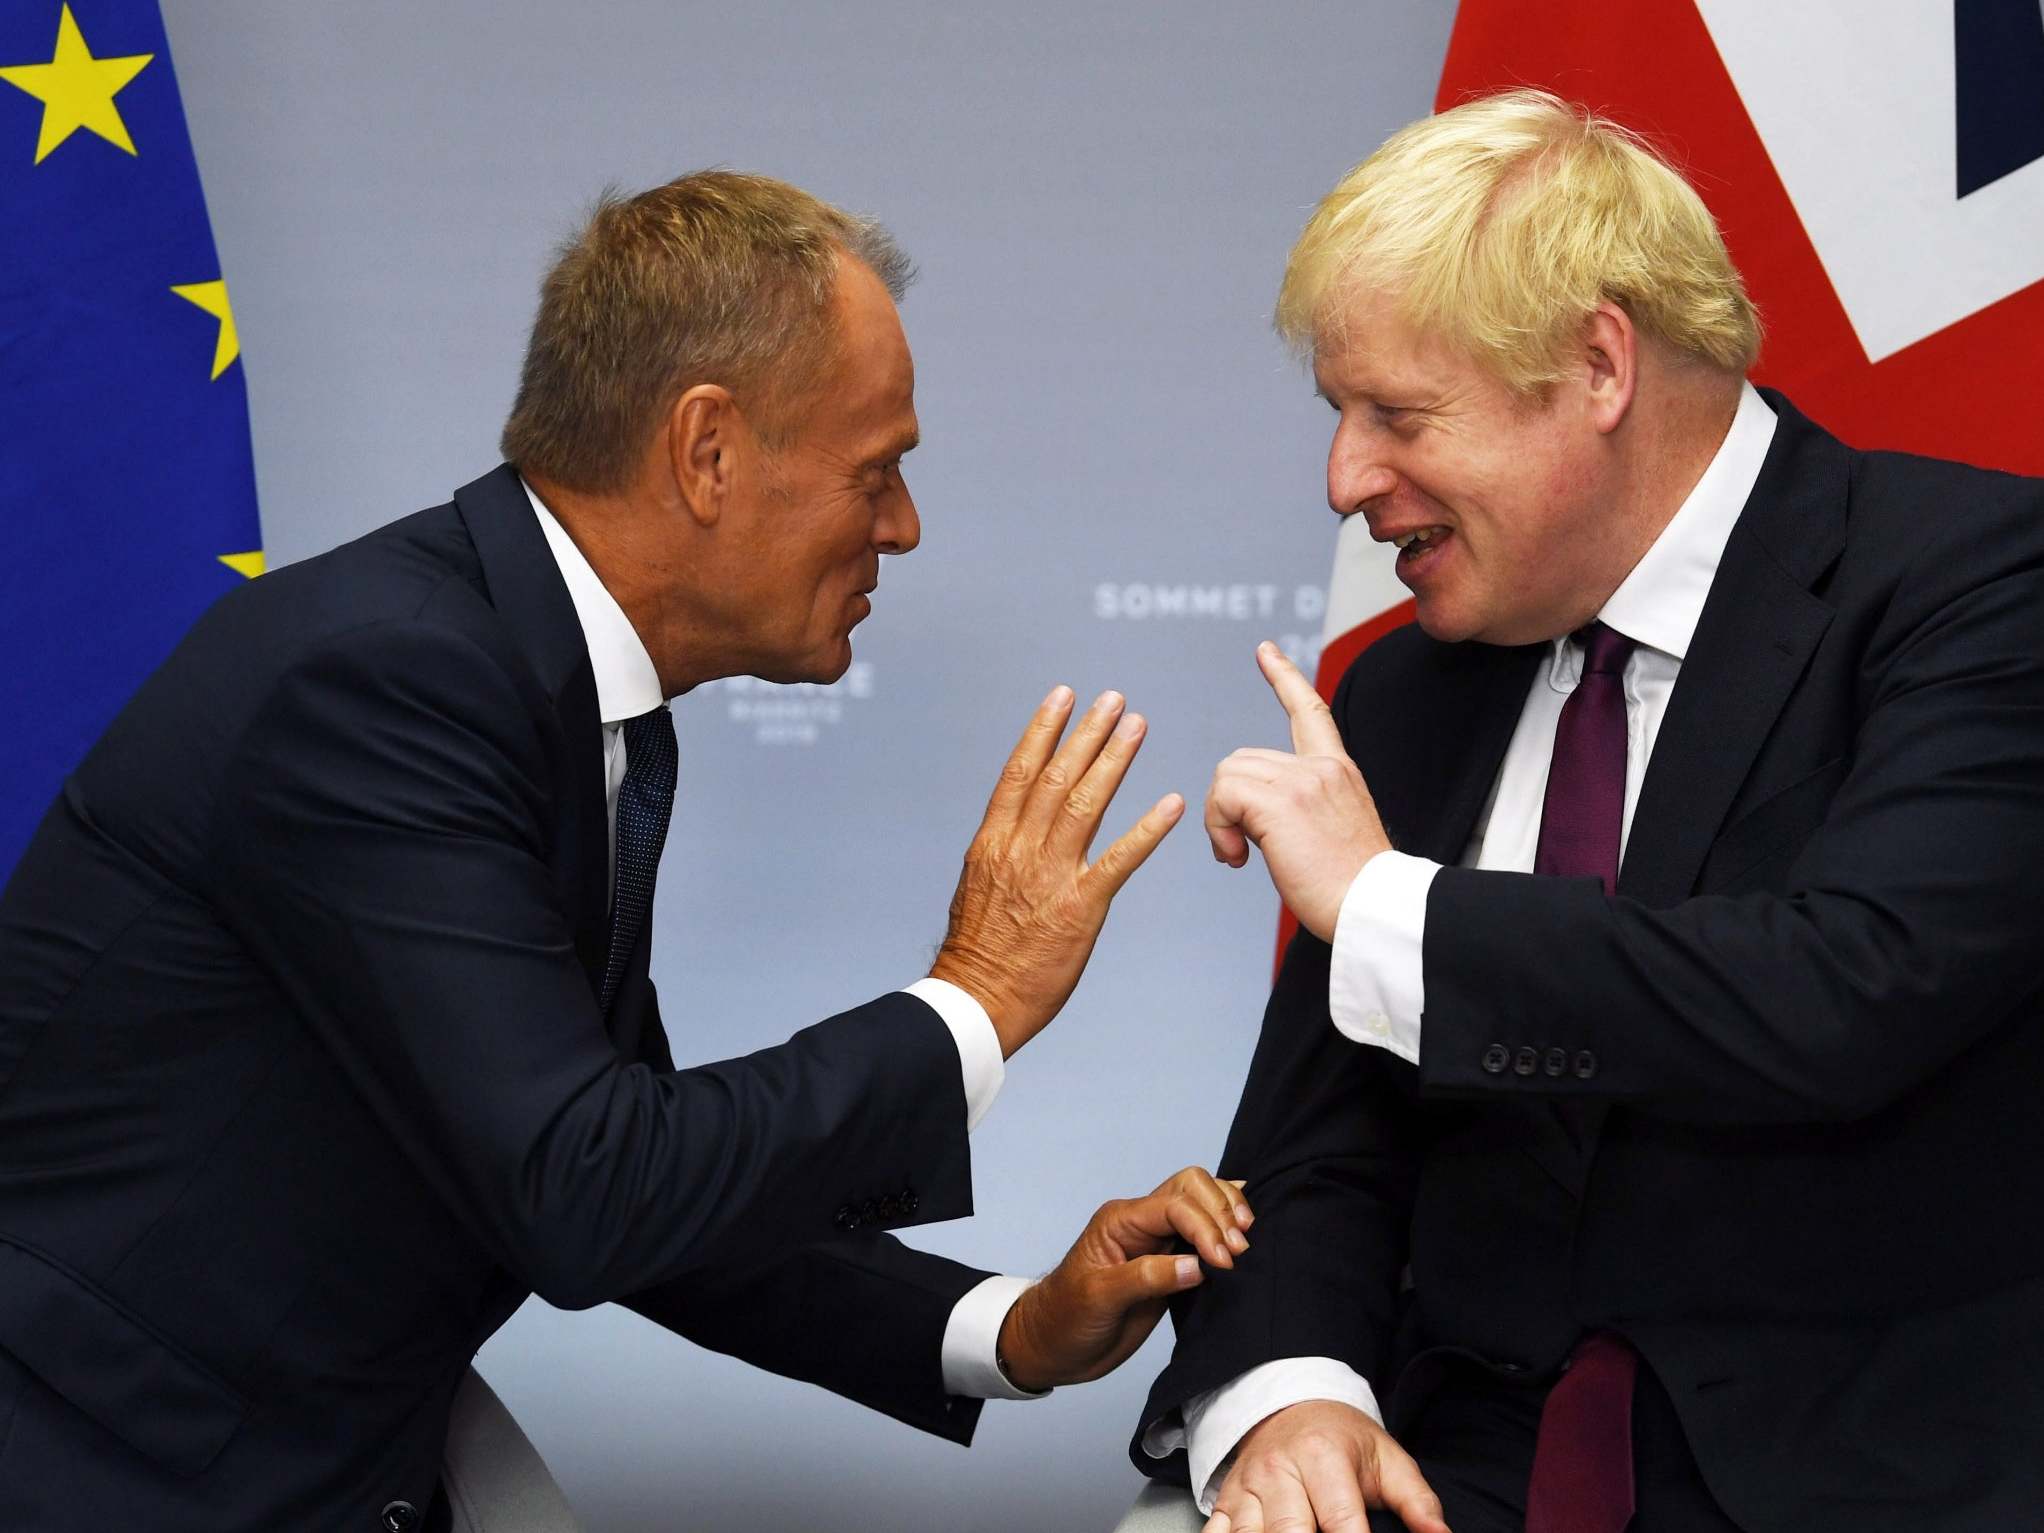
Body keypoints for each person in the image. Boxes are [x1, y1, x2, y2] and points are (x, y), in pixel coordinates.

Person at [0, 171, 1251, 1531]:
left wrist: (1010, 1328)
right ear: (707, 451)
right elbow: (585, 1185)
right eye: (875, 469)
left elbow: (645, 1185)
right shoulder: (382, 685)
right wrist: (976, 998)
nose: (902, 524)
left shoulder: (541, 688)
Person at [1126, 90, 2044, 1533]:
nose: (1344, 480)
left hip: (1849, 1478)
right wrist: (1297, 1392)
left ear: (1598, 364)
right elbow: (1313, 1150)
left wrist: (1386, 907)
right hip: (1451, 1469)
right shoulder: (1400, 694)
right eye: (1337, 416)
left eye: (1397, 415)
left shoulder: (1978, 582)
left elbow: (1845, 987)